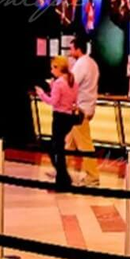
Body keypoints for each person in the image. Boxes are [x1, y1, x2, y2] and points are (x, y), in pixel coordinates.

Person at [35, 57, 78, 191]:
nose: (51, 71)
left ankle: (63, 181)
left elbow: (53, 101)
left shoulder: (59, 83)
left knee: (56, 149)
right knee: (58, 148)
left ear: (58, 68)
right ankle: (63, 178)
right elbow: (73, 99)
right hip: (68, 117)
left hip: (59, 118)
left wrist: (41, 94)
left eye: (53, 67)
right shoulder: (72, 81)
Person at [66, 35, 101, 186]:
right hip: (87, 107)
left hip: (79, 110)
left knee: (85, 144)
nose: (69, 52)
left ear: (78, 49)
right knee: (68, 142)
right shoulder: (92, 63)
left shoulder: (81, 64)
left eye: (71, 49)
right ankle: (61, 170)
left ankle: (93, 176)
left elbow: (71, 83)